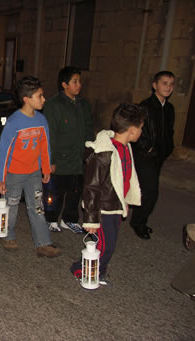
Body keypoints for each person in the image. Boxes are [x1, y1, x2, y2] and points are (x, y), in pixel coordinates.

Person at [70, 103, 144, 285]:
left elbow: (124, 179)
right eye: (141, 128)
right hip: (102, 209)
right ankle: (81, 270)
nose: (142, 131)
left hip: (115, 207)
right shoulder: (104, 153)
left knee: (107, 245)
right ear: (132, 130)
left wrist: (125, 200)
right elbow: (91, 187)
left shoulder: (125, 148)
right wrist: (91, 219)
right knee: (105, 246)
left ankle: (99, 271)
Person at [0, 76, 61, 258]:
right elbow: (3, 152)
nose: (43, 99)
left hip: (33, 174)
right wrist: (1, 178)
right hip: (14, 174)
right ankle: (8, 236)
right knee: (12, 205)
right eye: (40, 96)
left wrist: (46, 169)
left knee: (37, 207)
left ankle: (43, 243)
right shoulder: (14, 122)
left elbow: (45, 147)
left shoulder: (41, 120)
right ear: (27, 99)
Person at [43, 66, 94, 233]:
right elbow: (51, 134)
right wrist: (51, 160)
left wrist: (90, 152)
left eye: (80, 81)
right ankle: (51, 219)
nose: (79, 85)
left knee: (75, 190)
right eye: (75, 81)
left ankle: (69, 219)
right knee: (55, 192)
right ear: (64, 84)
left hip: (78, 158)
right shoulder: (54, 105)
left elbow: (88, 129)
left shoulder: (83, 104)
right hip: (60, 157)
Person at [130, 71, 175, 240]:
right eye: (164, 83)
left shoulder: (169, 108)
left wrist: (168, 149)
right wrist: (145, 148)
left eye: (171, 84)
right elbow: (136, 131)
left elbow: (169, 132)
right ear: (155, 85)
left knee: (143, 189)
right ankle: (138, 223)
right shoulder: (146, 106)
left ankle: (138, 218)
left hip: (159, 156)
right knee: (151, 192)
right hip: (145, 156)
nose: (168, 87)